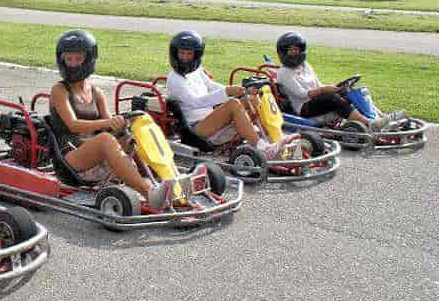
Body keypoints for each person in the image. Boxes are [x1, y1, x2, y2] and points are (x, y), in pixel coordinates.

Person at [49, 30, 178, 211]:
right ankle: (149, 192)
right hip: (70, 159)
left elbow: (110, 123)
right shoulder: (59, 90)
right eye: (68, 59)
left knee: (130, 133)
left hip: (96, 156)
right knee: (105, 139)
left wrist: (124, 123)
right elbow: (73, 124)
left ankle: (168, 179)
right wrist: (107, 124)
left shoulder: (96, 92)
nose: (72, 64)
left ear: (88, 59)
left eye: (77, 59)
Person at [166, 30, 298, 160]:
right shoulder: (174, 79)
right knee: (233, 104)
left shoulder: (196, 71)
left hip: (210, 119)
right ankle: (264, 148)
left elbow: (212, 86)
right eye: (182, 53)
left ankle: (276, 138)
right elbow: (194, 103)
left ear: (196, 55)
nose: (185, 57)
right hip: (195, 129)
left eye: (189, 54)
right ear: (175, 54)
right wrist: (227, 92)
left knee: (253, 99)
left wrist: (241, 91)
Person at [274, 31, 404, 131]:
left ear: (301, 50)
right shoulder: (283, 73)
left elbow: (318, 84)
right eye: (290, 50)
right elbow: (301, 94)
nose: (293, 53)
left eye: (296, 49)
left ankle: (380, 118)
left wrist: (336, 87)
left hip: (316, 100)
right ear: (283, 53)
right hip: (303, 107)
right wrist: (325, 90)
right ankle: (369, 124)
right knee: (331, 98)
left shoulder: (305, 65)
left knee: (349, 91)